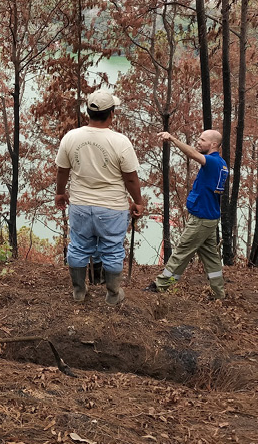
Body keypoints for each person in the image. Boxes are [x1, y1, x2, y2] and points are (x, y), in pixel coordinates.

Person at [55, 90, 145, 305]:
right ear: (112, 113)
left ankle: (78, 291)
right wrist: (138, 202)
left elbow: (62, 170)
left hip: (80, 205)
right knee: (113, 249)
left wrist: (60, 192)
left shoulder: (71, 137)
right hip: (112, 207)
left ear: (88, 112)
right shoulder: (120, 142)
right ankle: (113, 294)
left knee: (78, 246)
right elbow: (131, 178)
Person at [146, 129, 229, 299]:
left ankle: (161, 286)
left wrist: (173, 139)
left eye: (202, 139)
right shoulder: (222, 164)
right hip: (209, 218)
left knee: (182, 251)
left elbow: (194, 155)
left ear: (213, 144)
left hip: (201, 219)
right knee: (211, 257)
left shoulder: (213, 162)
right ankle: (219, 293)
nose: (198, 142)